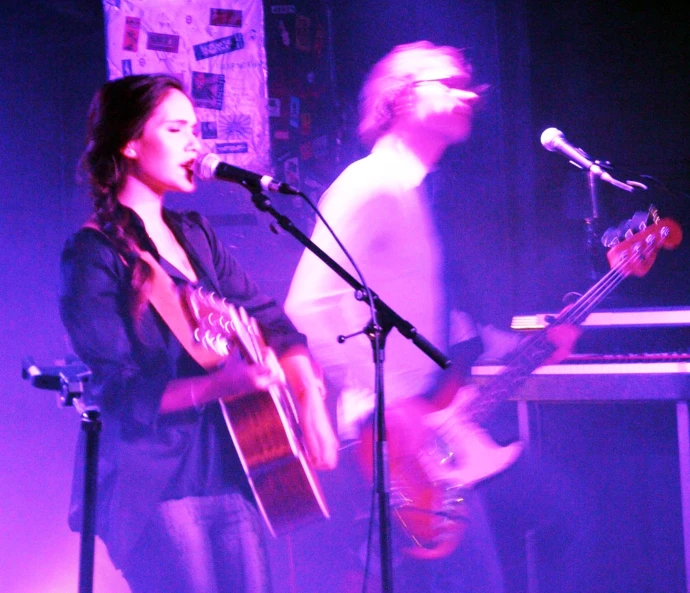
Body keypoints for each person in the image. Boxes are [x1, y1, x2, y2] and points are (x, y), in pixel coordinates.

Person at [284, 41, 580, 593]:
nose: (466, 93)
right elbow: (306, 304)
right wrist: (386, 405)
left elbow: (440, 330)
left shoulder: (415, 192)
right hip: (391, 441)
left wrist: (536, 342)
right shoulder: (371, 184)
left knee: (562, 516)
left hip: (433, 433)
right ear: (400, 99)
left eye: (466, 83)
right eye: (445, 83)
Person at [59, 74, 338, 593]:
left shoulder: (196, 235)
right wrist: (218, 386)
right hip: (158, 488)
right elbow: (117, 393)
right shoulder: (94, 254)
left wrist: (310, 400)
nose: (195, 144)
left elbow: (272, 321)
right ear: (130, 143)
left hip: (237, 473)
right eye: (176, 129)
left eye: (196, 129)